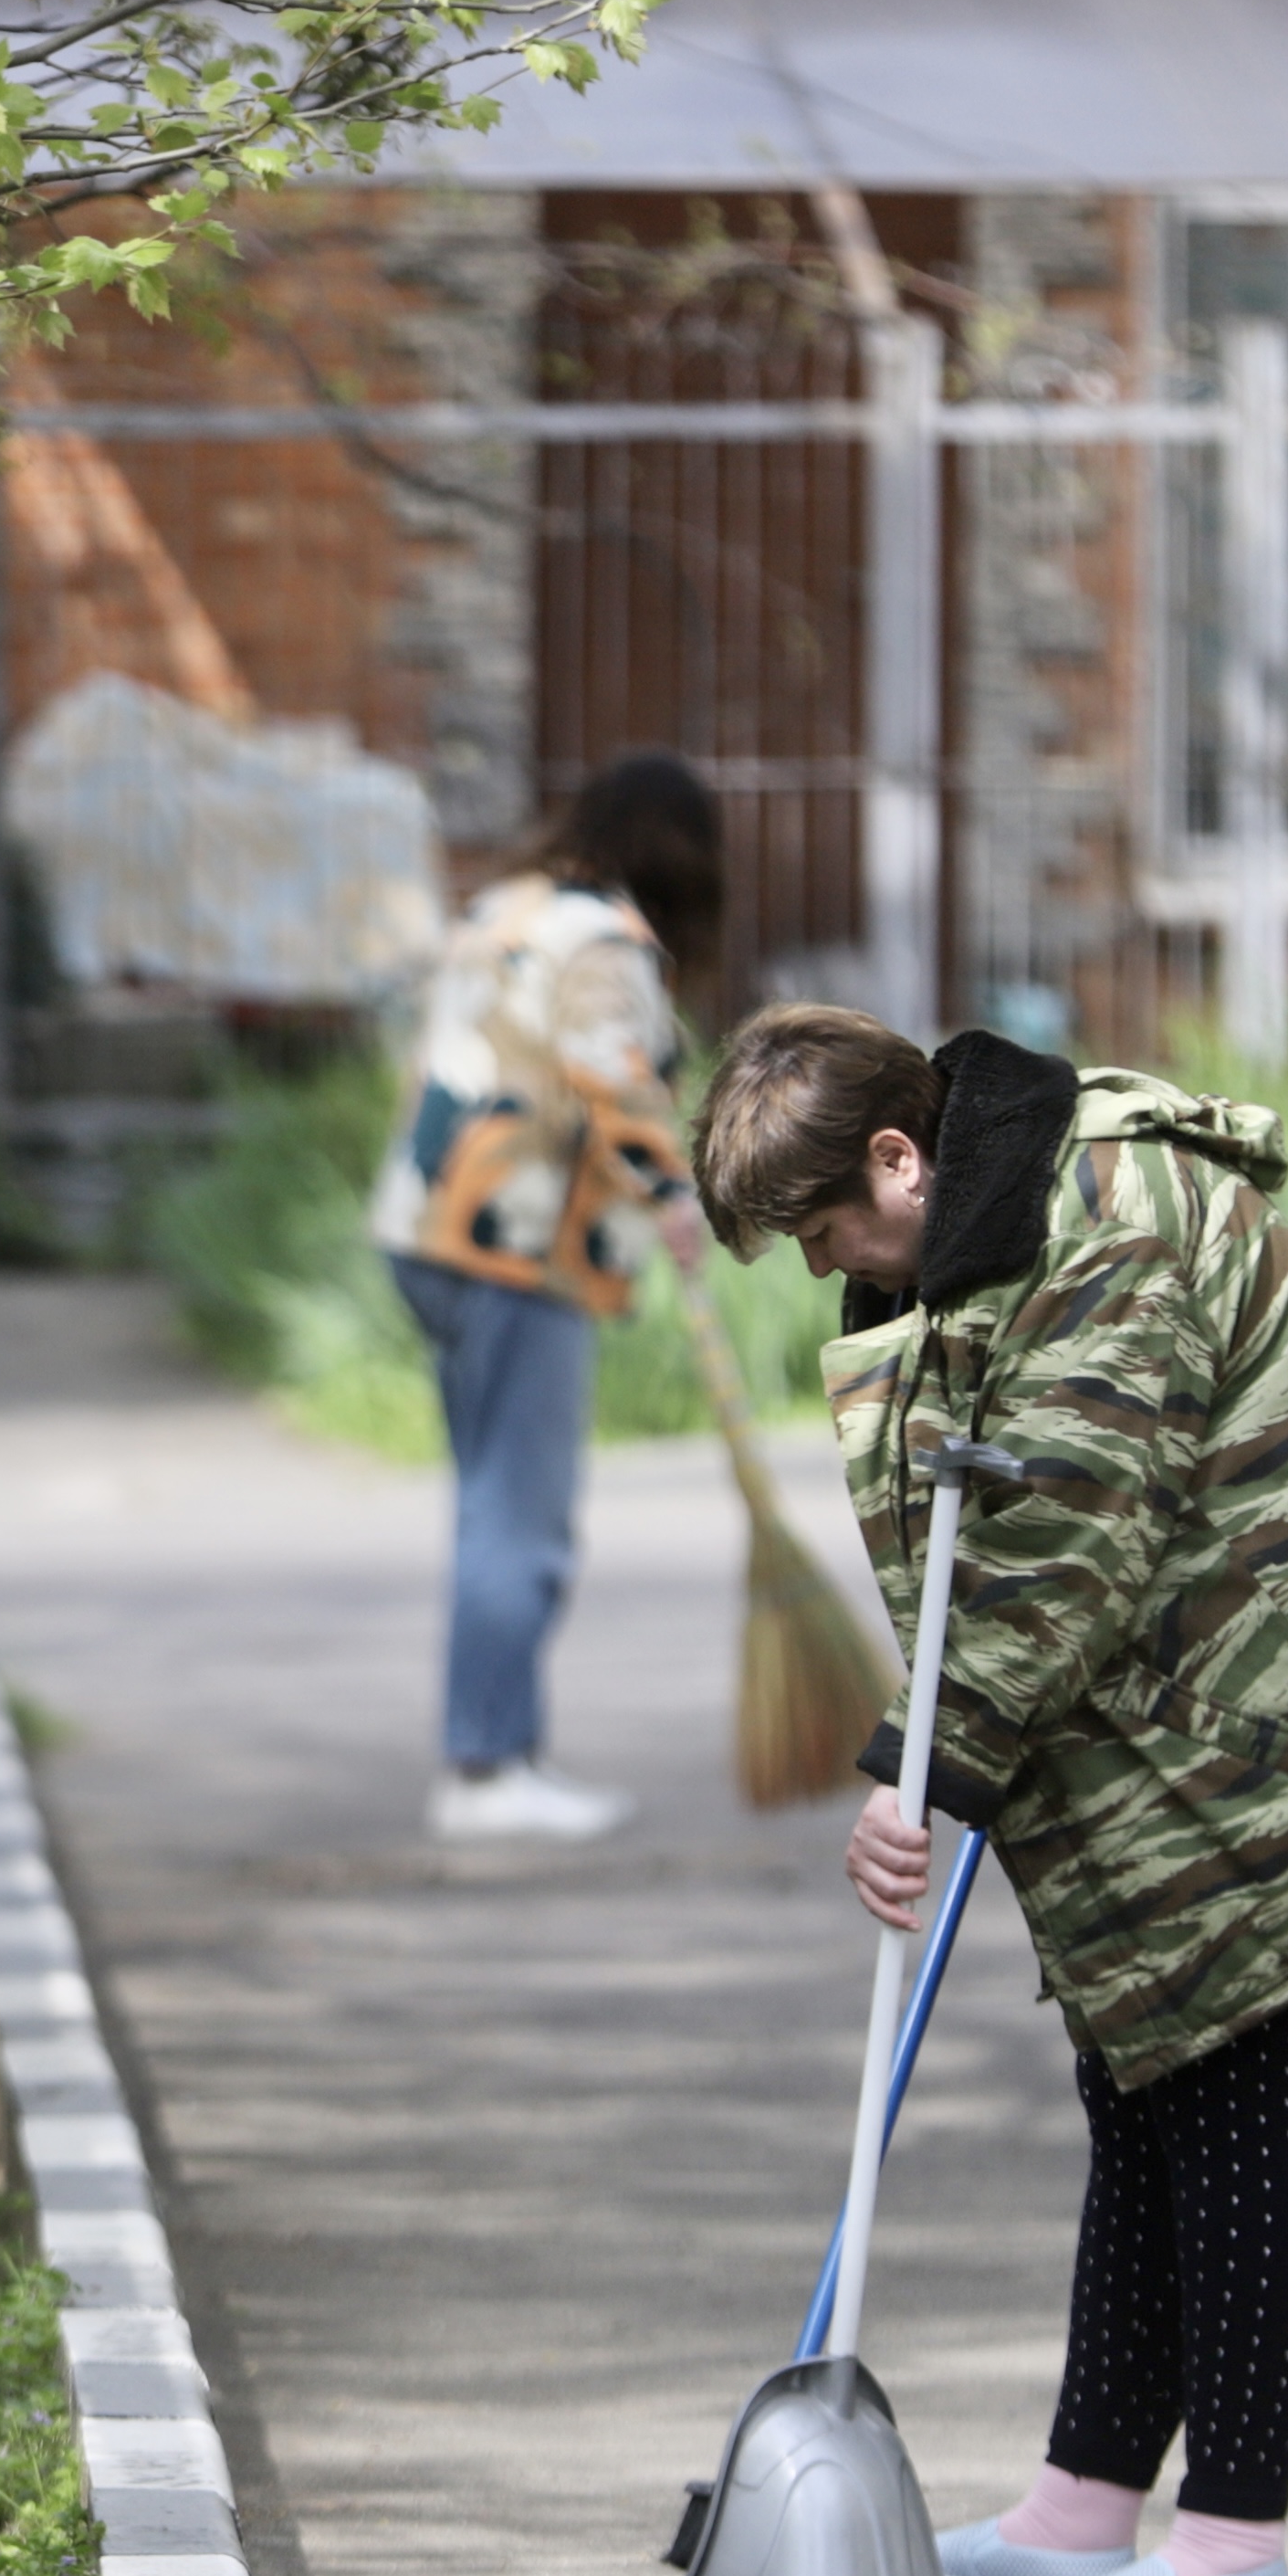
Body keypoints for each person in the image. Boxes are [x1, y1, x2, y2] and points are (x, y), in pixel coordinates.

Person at [691, 1006, 1288, 2576]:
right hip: (1184, 1722)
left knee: (1234, 2099)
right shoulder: (982, 1214)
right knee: (1144, 2088)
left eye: (823, 1237)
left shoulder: (1103, 1222)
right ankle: (1084, 2509)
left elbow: (1074, 1531)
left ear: (901, 1154)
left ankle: (1233, 2554)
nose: (826, 1275)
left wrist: (919, 1770)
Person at [370, 750, 725, 1844]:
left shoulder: (506, 909)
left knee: (491, 1506)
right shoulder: (606, 940)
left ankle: (494, 1748)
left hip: (427, 1231)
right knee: (520, 1518)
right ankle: (486, 1768)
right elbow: (611, 1068)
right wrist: (675, 1192)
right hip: (516, 1248)